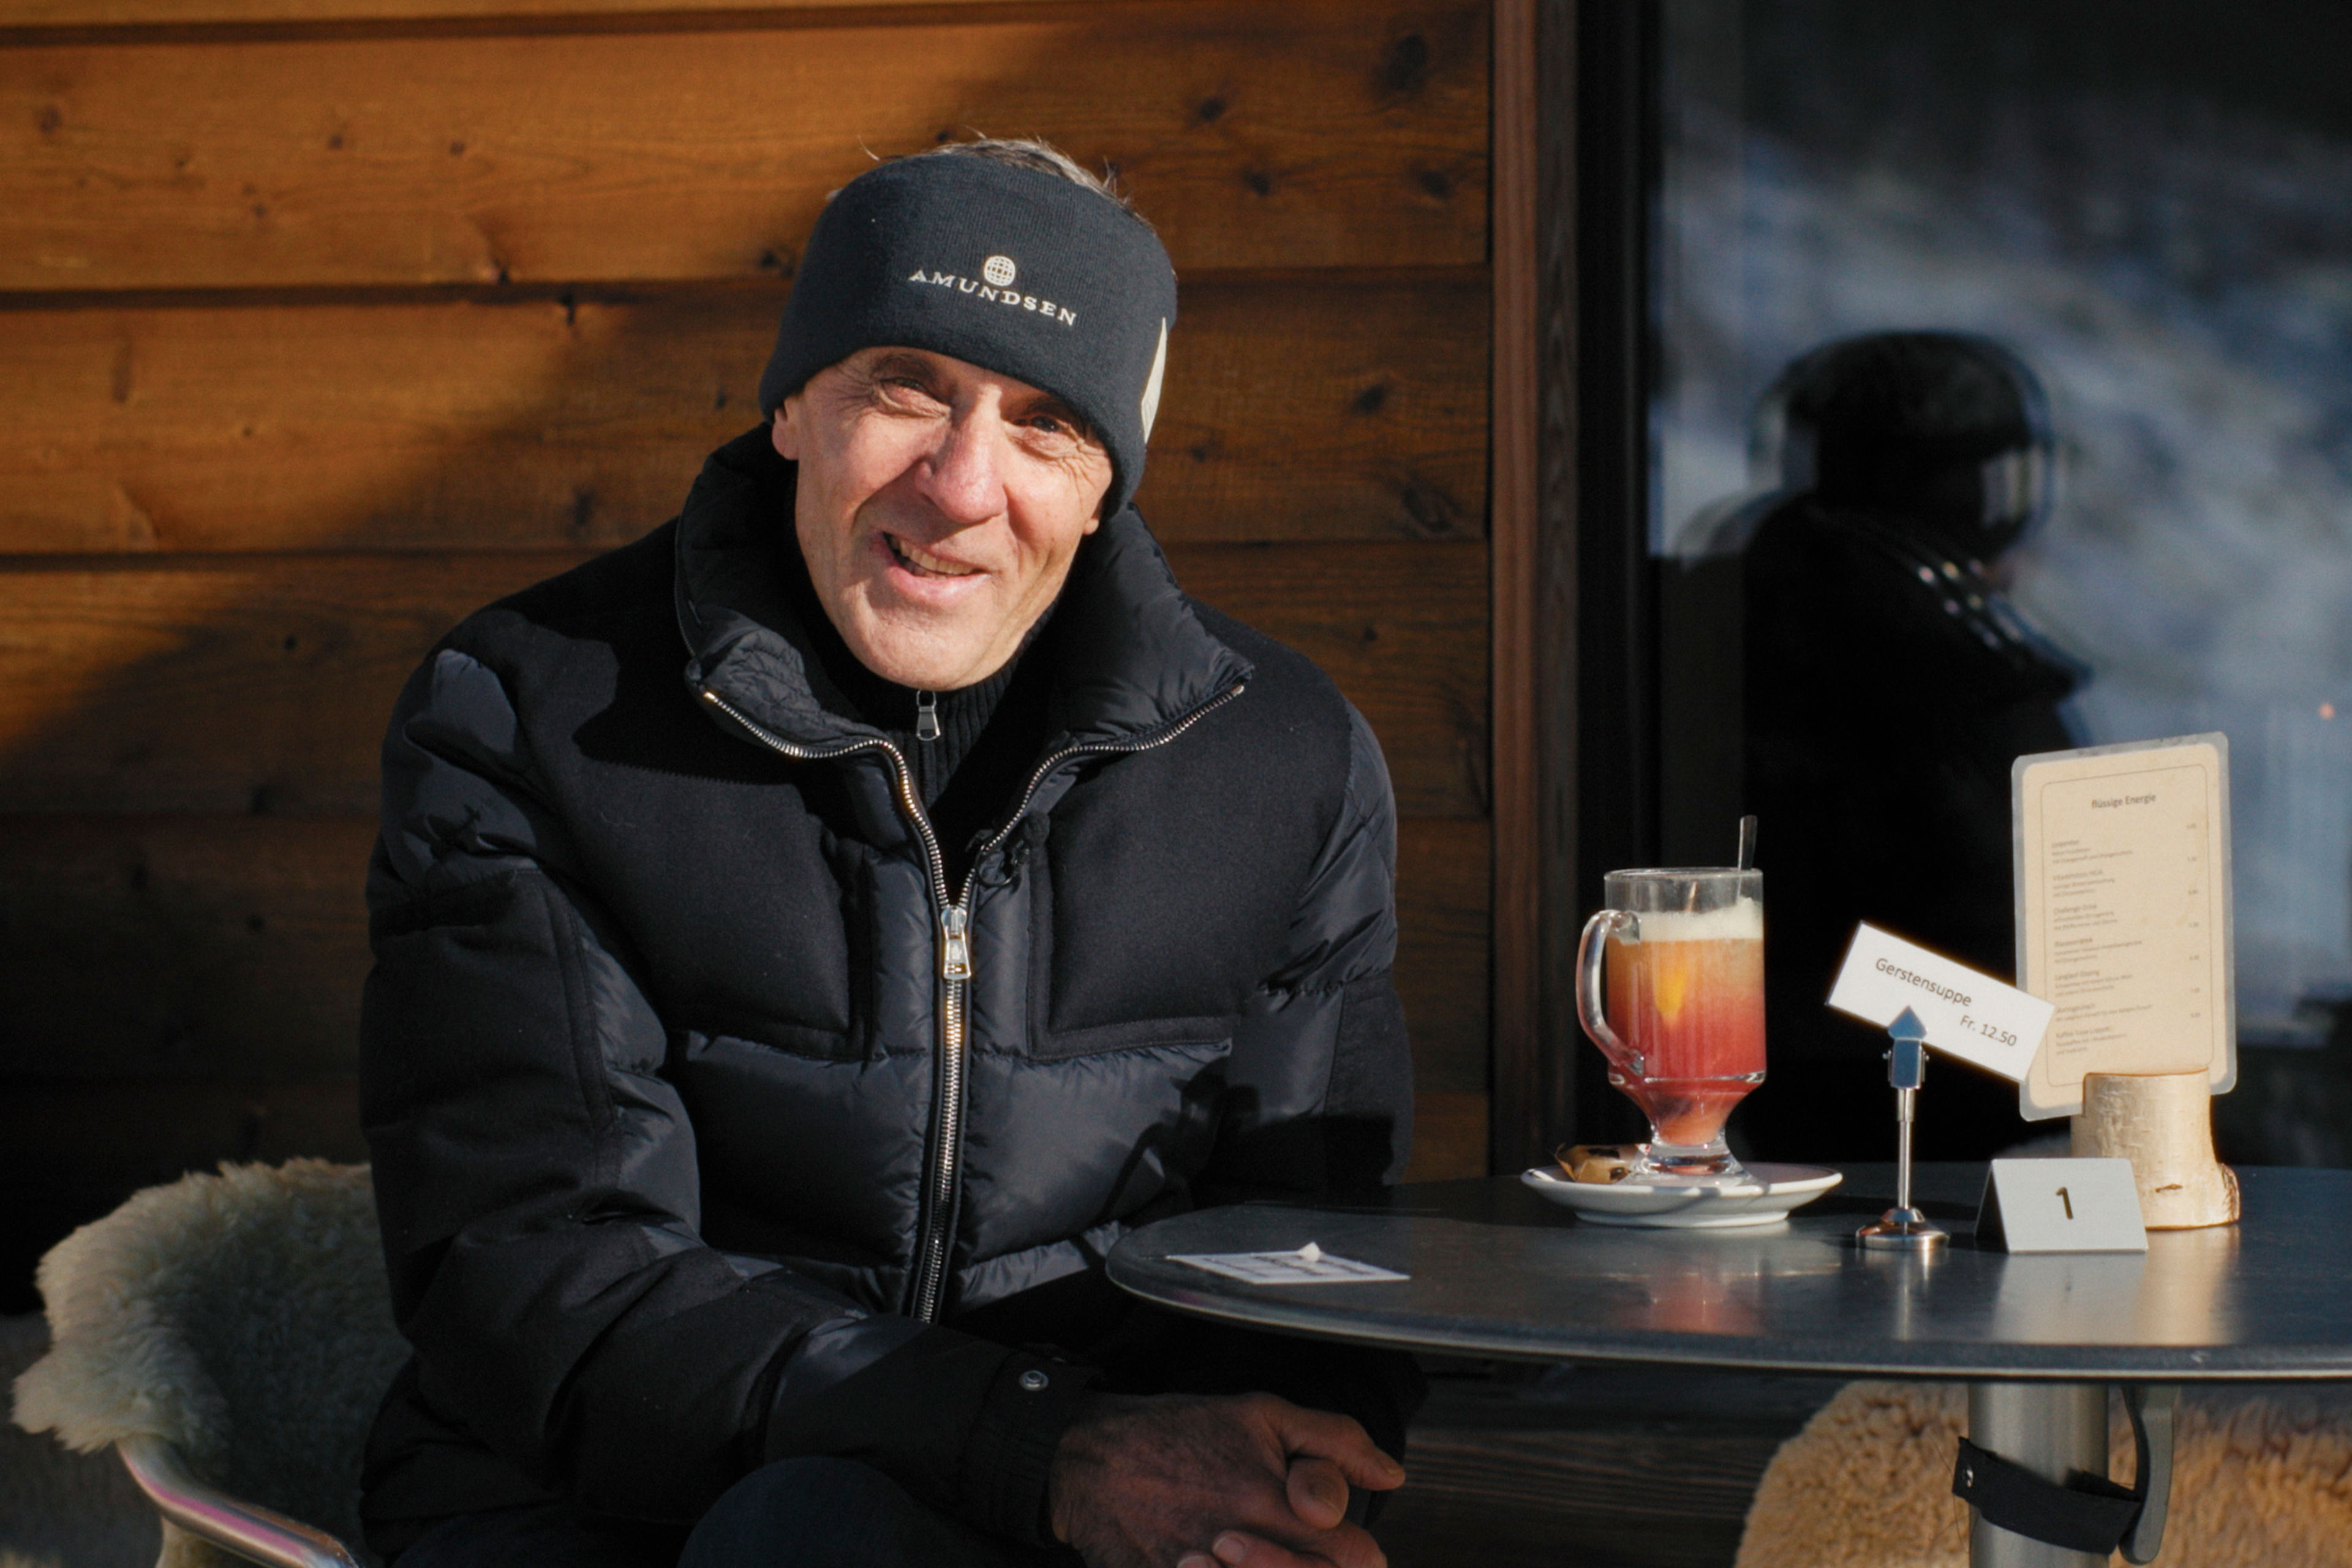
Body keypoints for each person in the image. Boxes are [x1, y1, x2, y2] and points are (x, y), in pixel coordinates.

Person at [356, 140, 1421, 1568]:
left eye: (1048, 423)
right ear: (794, 402)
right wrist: (1039, 1446)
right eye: (909, 384)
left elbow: (1315, 1253)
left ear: (1108, 483)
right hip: (588, 1508)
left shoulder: (1281, 760)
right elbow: (543, 1273)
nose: (965, 483)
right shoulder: (536, 711)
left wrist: (1275, 1492)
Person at [1729, 331, 2086, 1162]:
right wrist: (2069, 1047)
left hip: (1839, 1091)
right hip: (1921, 1110)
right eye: (1994, 485)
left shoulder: (1774, 605)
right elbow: (1913, 943)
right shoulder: (1931, 664)